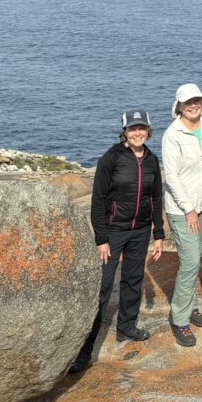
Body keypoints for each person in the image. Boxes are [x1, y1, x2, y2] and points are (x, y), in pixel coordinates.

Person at [70, 108, 164, 373]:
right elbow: (98, 200)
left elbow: (156, 198)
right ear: (124, 131)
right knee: (102, 288)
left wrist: (158, 234)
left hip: (141, 230)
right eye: (133, 129)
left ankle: (126, 327)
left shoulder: (151, 160)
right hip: (113, 231)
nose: (137, 133)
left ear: (148, 130)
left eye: (141, 128)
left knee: (133, 279)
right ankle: (84, 349)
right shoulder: (111, 158)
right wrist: (101, 238)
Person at [161, 84, 202, 347]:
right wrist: (189, 209)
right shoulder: (172, 135)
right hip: (182, 210)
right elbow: (172, 177)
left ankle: (191, 306)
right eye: (188, 102)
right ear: (179, 106)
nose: (193, 105)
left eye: (197, 100)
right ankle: (180, 319)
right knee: (189, 263)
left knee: (195, 258)